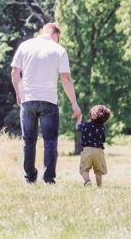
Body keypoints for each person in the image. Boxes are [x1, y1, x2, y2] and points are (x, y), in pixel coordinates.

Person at [10, 22, 81, 184]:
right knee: (50, 141)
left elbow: (15, 72)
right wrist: (74, 104)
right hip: (49, 100)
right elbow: (66, 78)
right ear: (56, 35)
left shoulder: (25, 45)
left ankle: (29, 178)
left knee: (29, 141)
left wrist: (18, 92)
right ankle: (48, 179)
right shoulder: (59, 50)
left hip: (28, 100)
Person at [76, 105, 111, 187]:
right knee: (99, 171)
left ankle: (87, 181)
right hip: (98, 151)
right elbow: (103, 139)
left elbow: (77, 128)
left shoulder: (85, 125)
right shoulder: (102, 128)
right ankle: (99, 186)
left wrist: (79, 119)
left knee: (84, 168)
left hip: (87, 150)